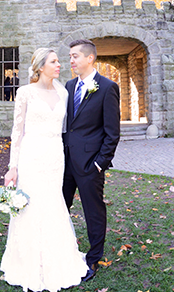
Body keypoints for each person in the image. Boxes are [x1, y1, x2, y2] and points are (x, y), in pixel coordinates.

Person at [0, 48, 89, 291]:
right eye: (54, 61)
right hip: (31, 155)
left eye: (59, 61)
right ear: (40, 67)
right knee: (30, 206)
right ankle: (28, 262)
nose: (59, 64)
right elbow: (17, 132)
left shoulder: (63, 91)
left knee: (52, 203)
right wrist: (13, 166)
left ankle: (56, 259)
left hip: (54, 156)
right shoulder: (25, 93)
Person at [63, 39, 121, 282]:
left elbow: (112, 132)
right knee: (59, 208)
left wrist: (99, 163)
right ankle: (59, 253)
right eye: (70, 57)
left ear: (90, 58)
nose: (71, 61)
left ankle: (93, 259)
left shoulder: (107, 88)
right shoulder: (67, 85)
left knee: (93, 213)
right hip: (64, 163)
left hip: (89, 165)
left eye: (75, 56)